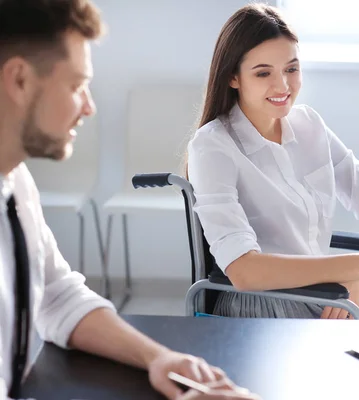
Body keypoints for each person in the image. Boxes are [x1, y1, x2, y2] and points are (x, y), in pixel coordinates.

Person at [0, 1, 258, 399]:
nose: (89, 106)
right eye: (76, 86)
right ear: (19, 80)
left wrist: (158, 358)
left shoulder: (15, 181)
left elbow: (58, 295)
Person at [186, 3, 359, 320]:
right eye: (263, 73)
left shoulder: (309, 125)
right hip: (261, 309)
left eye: (291, 69)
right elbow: (243, 270)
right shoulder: (212, 146)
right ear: (233, 78)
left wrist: (356, 278)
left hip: (329, 296)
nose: (282, 86)